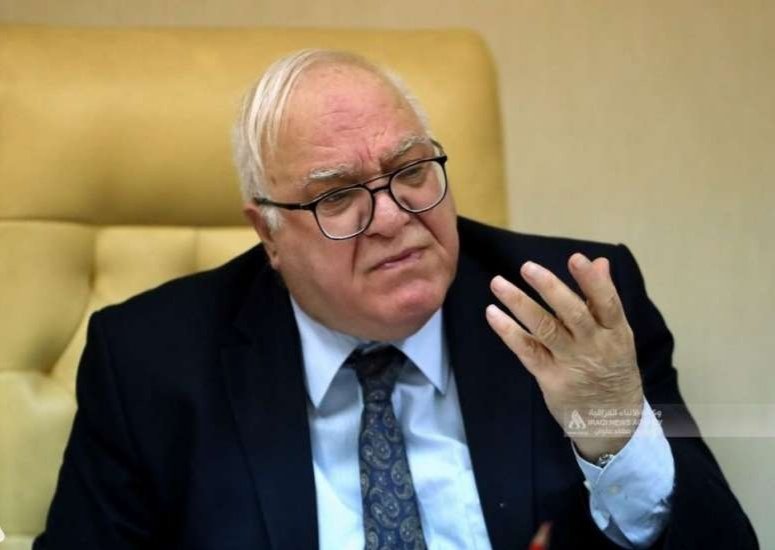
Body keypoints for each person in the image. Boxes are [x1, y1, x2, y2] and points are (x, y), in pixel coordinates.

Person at [34, 49, 757, 549]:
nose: (392, 217)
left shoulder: (570, 309)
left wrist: (615, 435)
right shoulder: (151, 362)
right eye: (337, 196)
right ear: (268, 233)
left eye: (410, 170)